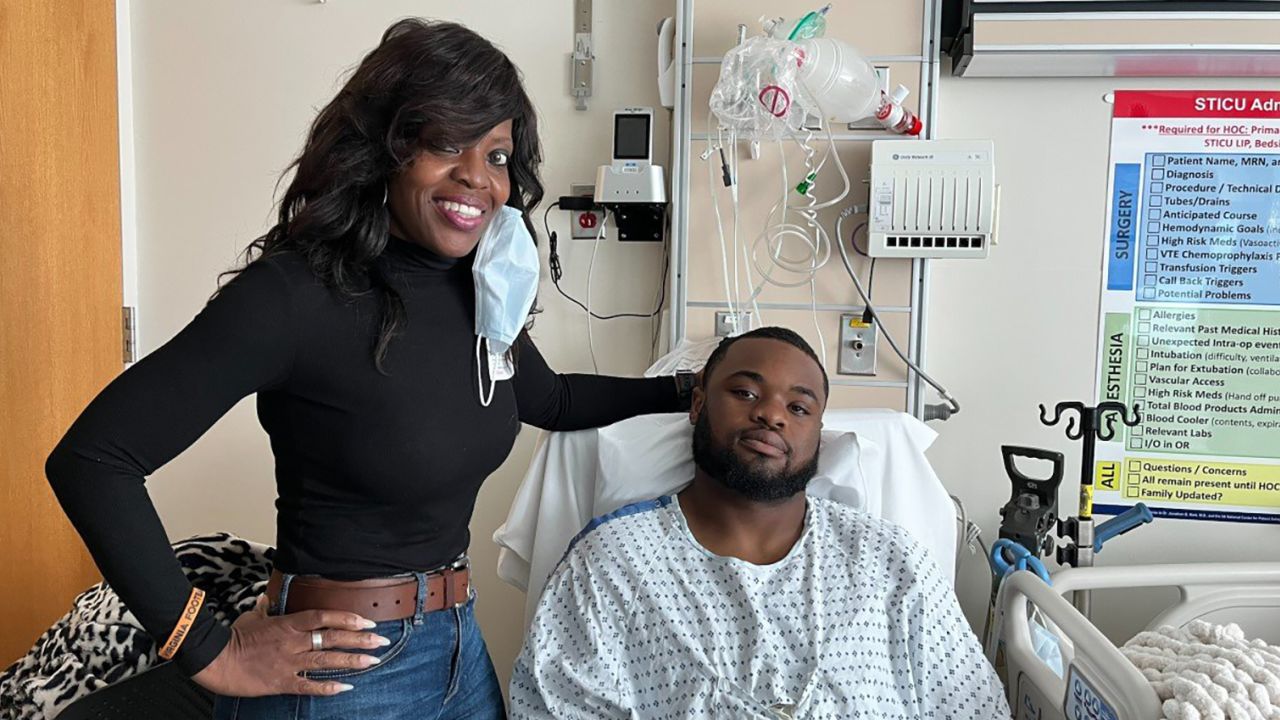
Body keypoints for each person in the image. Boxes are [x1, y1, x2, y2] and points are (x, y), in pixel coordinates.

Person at [44, 19, 697, 720]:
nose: (477, 177)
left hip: (459, 653)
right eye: (445, 142)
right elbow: (93, 460)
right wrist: (210, 650)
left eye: (498, 154)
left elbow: (554, 399)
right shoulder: (293, 296)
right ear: (385, 147)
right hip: (340, 676)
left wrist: (691, 390)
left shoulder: (484, 293)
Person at [509, 326, 1011, 719]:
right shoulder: (609, 566)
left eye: (798, 406)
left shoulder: (891, 563)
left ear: (819, 433)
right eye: (746, 393)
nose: (772, 415)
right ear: (699, 404)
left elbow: (973, 706)